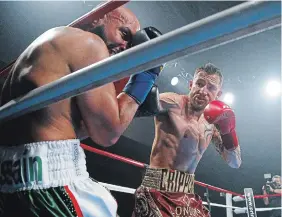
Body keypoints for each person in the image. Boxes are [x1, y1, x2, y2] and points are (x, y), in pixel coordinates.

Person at [0, 6, 163, 217]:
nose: (125, 46)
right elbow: (107, 135)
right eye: (123, 33)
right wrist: (144, 78)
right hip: (50, 183)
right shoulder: (90, 43)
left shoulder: (51, 44)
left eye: (131, 44)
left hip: (10, 178)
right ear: (99, 18)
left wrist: (128, 108)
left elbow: (71, 126)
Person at [133, 63, 242, 217]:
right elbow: (129, 108)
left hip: (187, 194)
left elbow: (235, 162)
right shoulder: (172, 103)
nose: (203, 91)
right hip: (157, 188)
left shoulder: (211, 125)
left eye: (211, 88)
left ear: (218, 94)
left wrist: (228, 131)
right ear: (191, 84)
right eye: (199, 84)